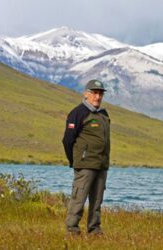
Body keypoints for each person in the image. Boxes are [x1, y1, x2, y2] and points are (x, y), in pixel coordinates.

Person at [62, 79, 110, 235]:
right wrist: (75, 161)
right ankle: (72, 229)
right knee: (79, 198)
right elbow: (68, 140)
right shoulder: (78, 113)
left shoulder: (103, 114)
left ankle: (94, 230)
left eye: (100, 93)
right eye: (94, 93)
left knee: (97, 201)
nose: (98, 97)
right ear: (86, 94)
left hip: (101, 165)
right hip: (85, 165)